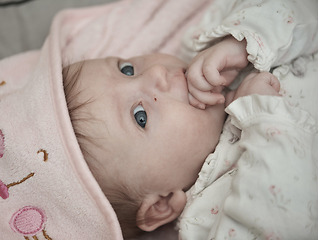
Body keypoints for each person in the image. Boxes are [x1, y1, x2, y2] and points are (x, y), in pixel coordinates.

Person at [62, 0, 318, 239]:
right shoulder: (209, 218)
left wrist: (242, 41)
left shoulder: (206, 43)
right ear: (161, 205)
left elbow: (301, 9)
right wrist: (263, 119)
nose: (156, 73)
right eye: (140, 116)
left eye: (127, 70)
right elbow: (287, 218)